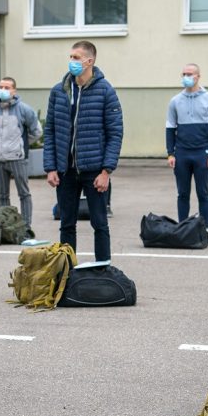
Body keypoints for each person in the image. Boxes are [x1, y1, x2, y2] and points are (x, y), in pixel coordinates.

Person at [44, 40, 122, 261]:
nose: (72, 62)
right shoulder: (59, 91)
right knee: (67, 224)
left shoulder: (105, 90)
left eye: (76, 58)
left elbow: (115, 132)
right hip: (65, 170)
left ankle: (103, 270)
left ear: (90, 61)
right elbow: (50, 130)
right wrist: (51, 167)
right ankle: (67, 271)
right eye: (70, 57)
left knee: (100, 223)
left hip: (94, 170)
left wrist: (106, 171)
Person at [166, 63, 208, 231]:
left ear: (198, 76)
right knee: (182, 194)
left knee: (203, 194)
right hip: (182, 154)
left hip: (202, 153)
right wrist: (170, 153)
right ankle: (182, 228)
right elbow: (170, 127)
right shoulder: (175, 101)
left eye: (189, 74)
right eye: (183, 74)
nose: (186, 77)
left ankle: (204, 230)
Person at [0, 77, 42, 227]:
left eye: (7, 87)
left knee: (24, 193)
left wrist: (21, 144)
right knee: (3, 195)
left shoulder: (24, 109)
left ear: (14, 90)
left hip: (17, 158)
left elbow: (37, 131)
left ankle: (26, 226)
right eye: (1, 87)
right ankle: (4, 225)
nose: (3, 90)